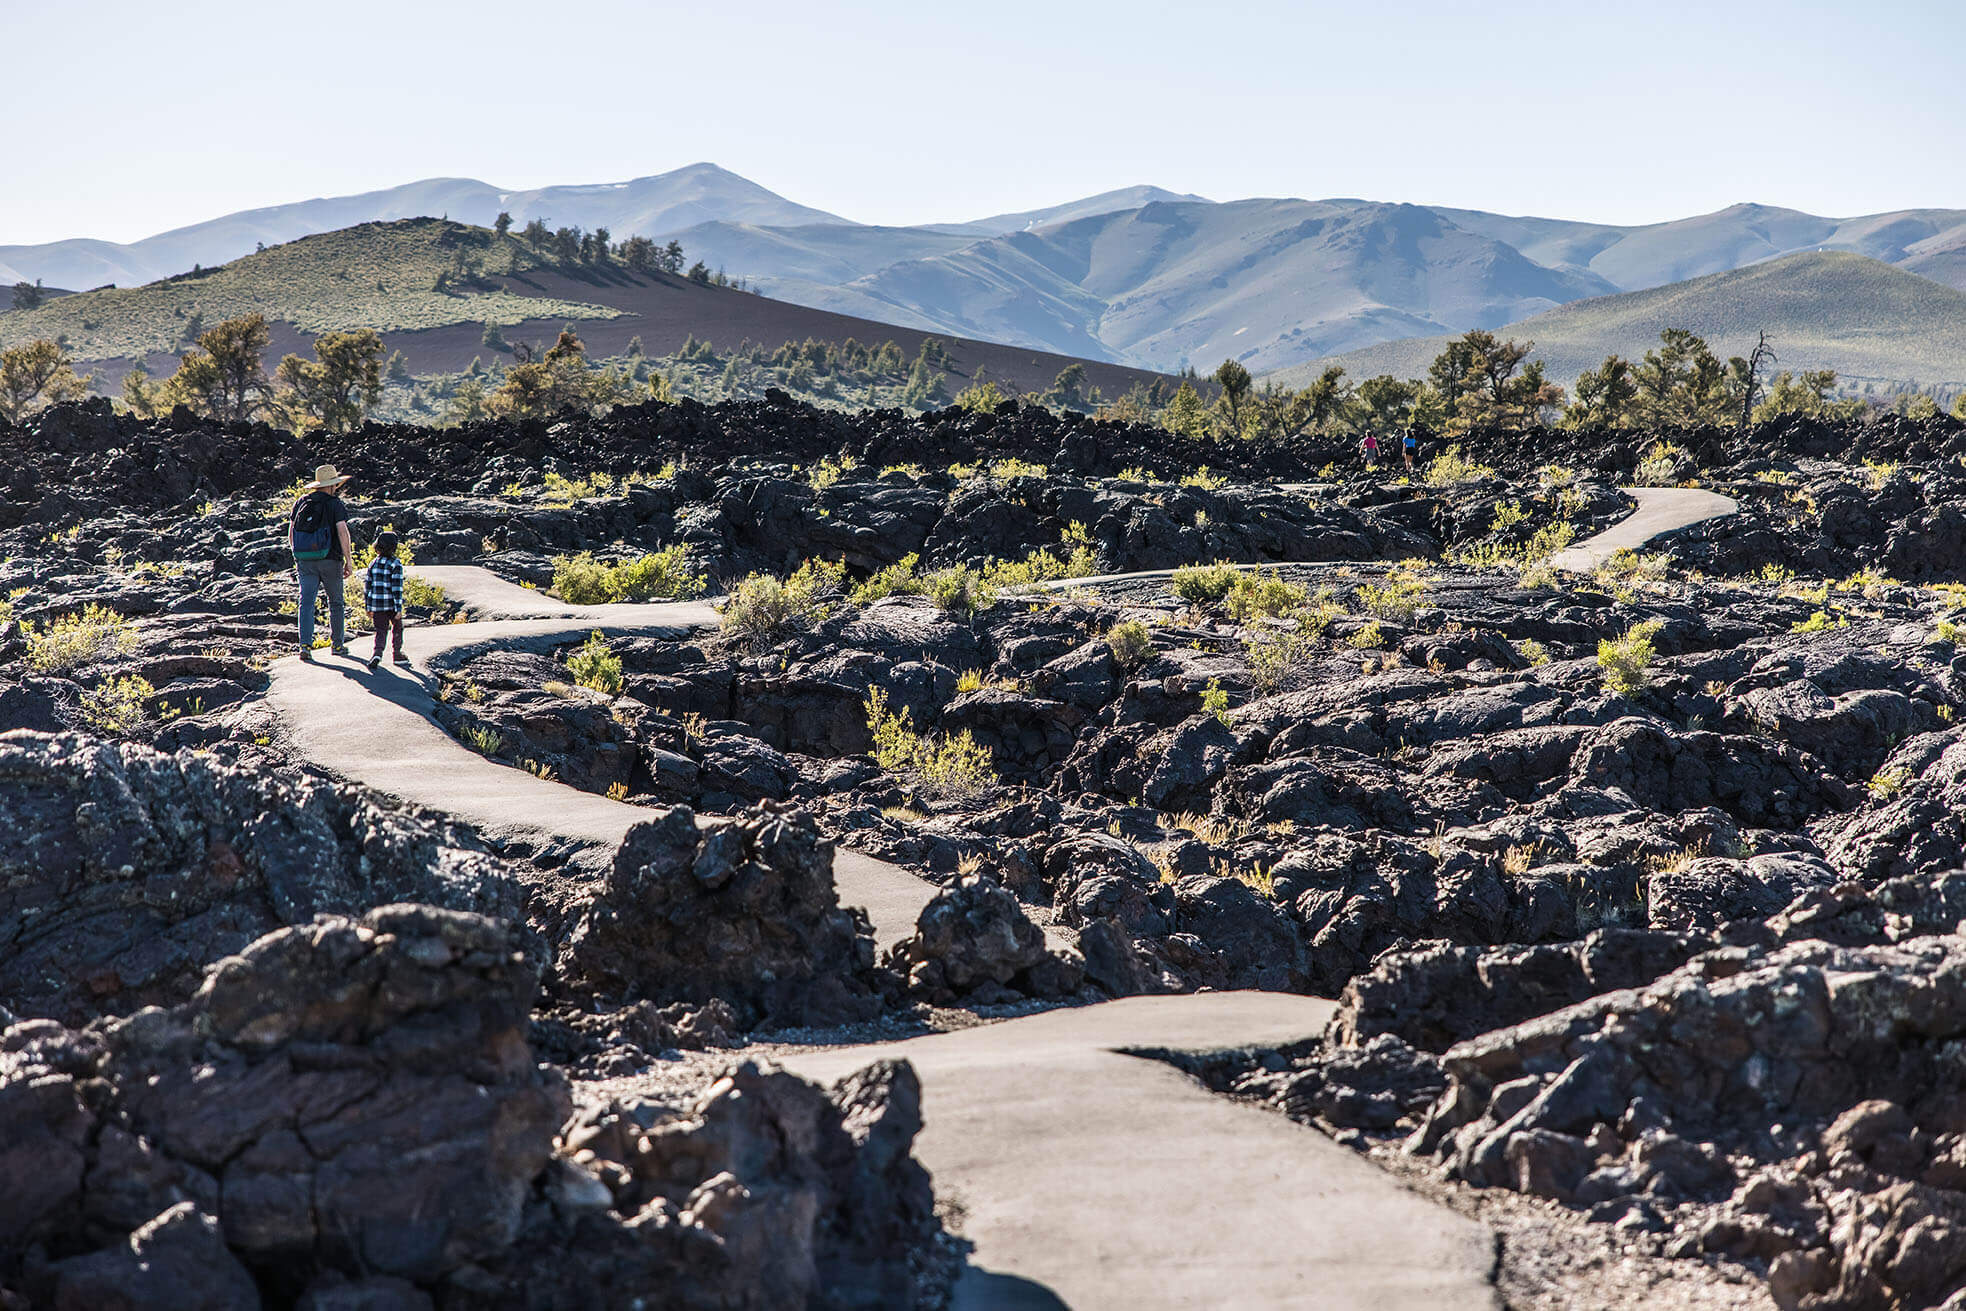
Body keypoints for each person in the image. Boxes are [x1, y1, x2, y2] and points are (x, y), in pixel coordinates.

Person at [290, 464, 354, 661]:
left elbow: (291, 531)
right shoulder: (335, 504)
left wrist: (297, 555)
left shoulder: (301, 502)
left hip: (305, 561)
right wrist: (348, 560)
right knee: (336, 603)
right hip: (330, 559)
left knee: (306, 603)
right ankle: (337, 644)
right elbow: (342, 532)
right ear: (332, 485)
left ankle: (305, 646)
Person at [364, 529, 410, 670]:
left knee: (380, 630)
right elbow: (397, 588)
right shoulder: (395, 564)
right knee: (397, 628)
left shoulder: (373, 563)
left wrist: (368, 607)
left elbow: (368, 586)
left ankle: (377, 653)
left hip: (377, 605)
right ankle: (397, 654)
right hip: (391, 604)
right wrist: (398, 609)